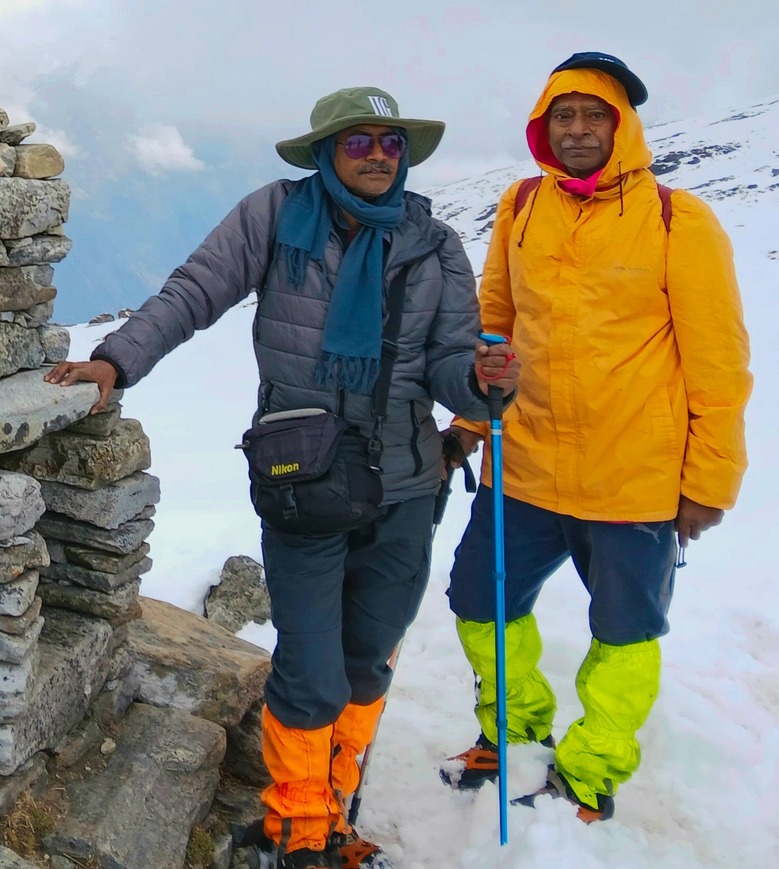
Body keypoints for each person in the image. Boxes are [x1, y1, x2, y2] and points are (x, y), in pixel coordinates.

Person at [49, 88, 506, 869]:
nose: (374, 155)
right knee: (310, 662)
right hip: (304, 475)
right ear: (325, 150)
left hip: (404, 484)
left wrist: (486, 381)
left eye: (389, 143)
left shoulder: (437, 246)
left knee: (368, 654)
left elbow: (452, 368)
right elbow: (194, 291)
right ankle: (297, 828)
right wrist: (116, 361)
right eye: (356, 142)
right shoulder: (274, 215)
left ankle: (334, 803)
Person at [440, 52, 751, 823]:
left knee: (624, 629)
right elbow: (496, 327)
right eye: (562, 117)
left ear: (623, 125)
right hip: (528, 461)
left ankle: (591, 764)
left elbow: (719, 361)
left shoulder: (680, 218)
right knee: (478, 597)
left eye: (593, 115)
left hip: (634, 477)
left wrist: (708, 481)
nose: (577, 130)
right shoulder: (520, 206)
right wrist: (472, 422)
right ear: (543, 128)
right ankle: (511, 731)